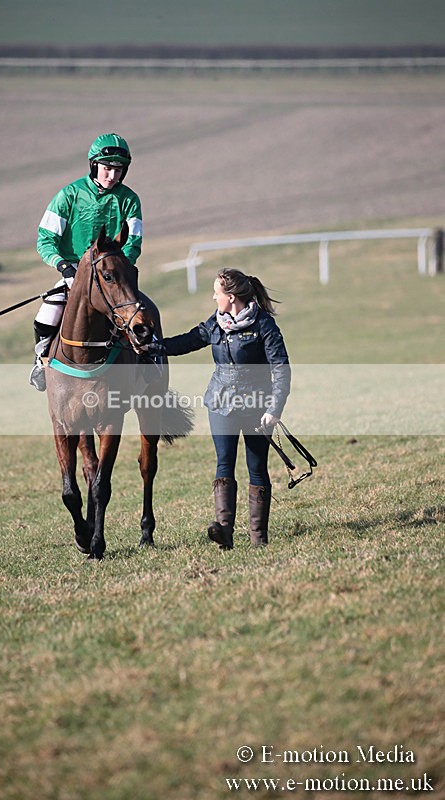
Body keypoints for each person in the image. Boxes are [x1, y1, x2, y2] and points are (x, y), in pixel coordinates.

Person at [146, 268, 291, 549]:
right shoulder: (217, 323)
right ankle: (224, 531)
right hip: (220, 403)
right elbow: (188, 341)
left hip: (256, 407)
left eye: (217, 292)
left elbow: (281, 370)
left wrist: (274, 408)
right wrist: (154, 347)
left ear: (231, 296)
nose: (214, 297)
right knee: (224, 463)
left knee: (256, 467)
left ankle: (258, 539)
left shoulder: (264, 325)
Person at [29, 133, 143, 391]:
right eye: (107, 169)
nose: (112, 175)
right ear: (94, 166)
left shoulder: (130, 200)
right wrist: (64, 267)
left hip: (113, 278)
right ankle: (41, 361)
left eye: (118, 170)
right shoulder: (68, 195)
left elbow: (133, 242)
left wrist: (117, 270)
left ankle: (150, 357)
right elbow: (45, 240)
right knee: (46, 314)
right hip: (74, 275)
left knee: (142, 313)